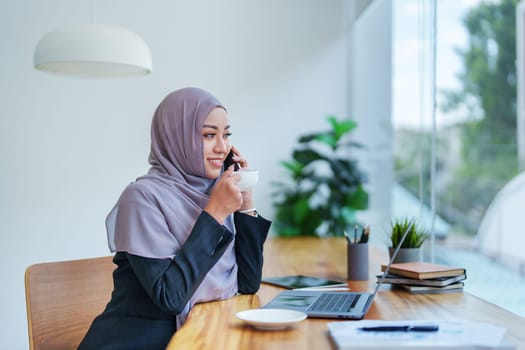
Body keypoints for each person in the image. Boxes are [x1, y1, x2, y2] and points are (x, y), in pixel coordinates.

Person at [78, 87, 271, 350]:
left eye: (226, 135)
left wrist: (245, 205)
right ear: (177, 138)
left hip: (203, 338)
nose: (222, 147)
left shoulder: (214, 192)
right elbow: (171, 297)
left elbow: (247, 284)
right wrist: (214, 214)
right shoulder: (142, 198)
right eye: (208, 135)